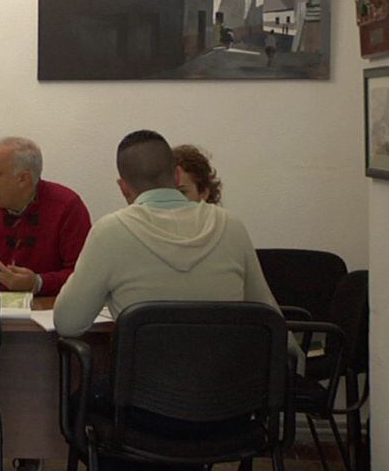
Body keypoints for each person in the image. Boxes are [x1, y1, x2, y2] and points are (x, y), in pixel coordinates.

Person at [53, 131, 288, 469]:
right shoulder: (231, 227)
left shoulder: (111, 231)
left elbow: (68, 322)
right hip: (230, 411)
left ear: (123, 187)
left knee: (80, 403)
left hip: (142, 415)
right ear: (177, 175)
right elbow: (269, 316)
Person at [0, 137, 91, 296]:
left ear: (23, 178)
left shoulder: (67, 207)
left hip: (49, 312)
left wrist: (38, 283)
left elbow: (84, 276)